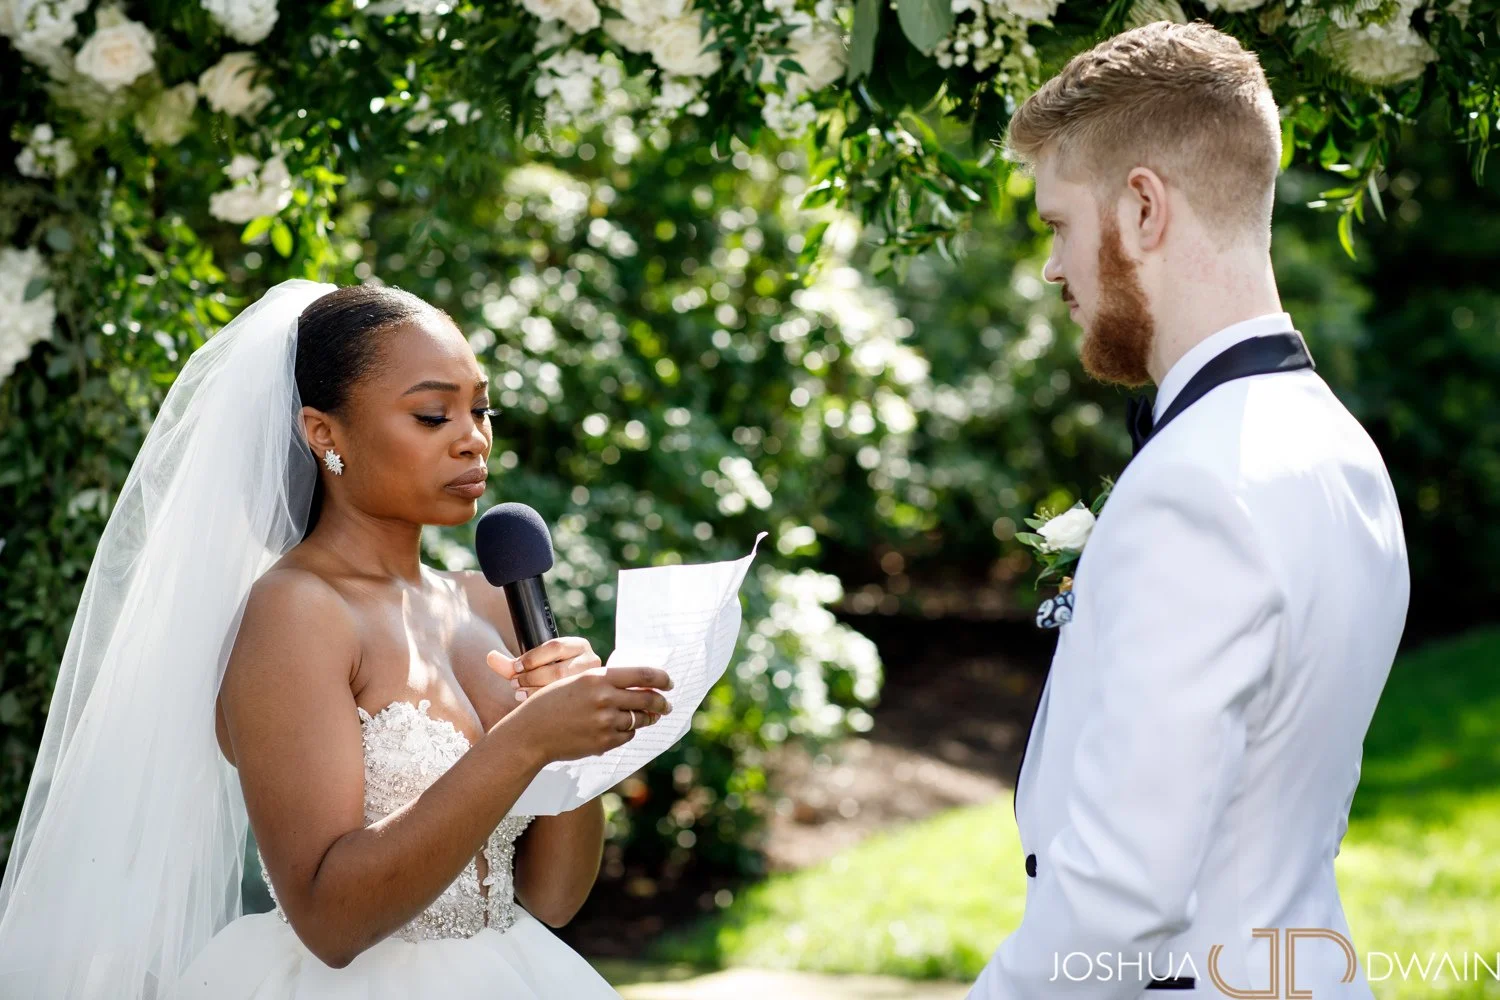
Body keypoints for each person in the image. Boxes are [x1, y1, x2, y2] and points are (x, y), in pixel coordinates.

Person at [0, 280, 670, 998]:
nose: (473, 436)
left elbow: (554, 898)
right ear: (324, 435)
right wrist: (527, 740)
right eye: (433, 413)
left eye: (481, 409)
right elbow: (330, 921)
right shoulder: (296, 613)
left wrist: (576, 746)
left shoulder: (487, 601)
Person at [968, 23, 1409, 999]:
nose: (1052, 269)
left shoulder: (1198, 482)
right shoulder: (1341, 449)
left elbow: (1122, 899)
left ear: (1140, 207)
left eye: (1057, 225)